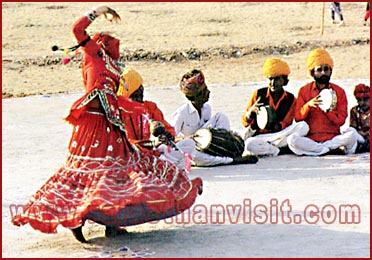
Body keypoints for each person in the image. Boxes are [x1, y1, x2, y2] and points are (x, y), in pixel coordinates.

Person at [12, 6, 202, 243]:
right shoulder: (94, 55)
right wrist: (98, 11)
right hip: (93, 123)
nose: (116, 46)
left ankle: (113, 222)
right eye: (111, 43)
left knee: (117, 172)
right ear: (102, 44)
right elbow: (77, 29)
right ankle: (78, 218)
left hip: (113, 124)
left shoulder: (114, 66)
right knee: (89, 172)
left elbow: (121, 97)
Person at [171, 69, 258, 166]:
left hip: (206, 146)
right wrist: (188, 138)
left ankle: (227, 150)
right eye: (204, 91)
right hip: (193, 148)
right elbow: (170, 140)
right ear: (196, 96)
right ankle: (231, 160)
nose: (208, 92)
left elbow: (210, 132)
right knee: (196, 156)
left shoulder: (206, 108)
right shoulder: (181, 114)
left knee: (221, 116)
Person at [116, 67, 195, 170]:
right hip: (131, 155)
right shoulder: (119, 112)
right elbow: (126, 144)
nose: (140, 93)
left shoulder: (150, 107)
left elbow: (169, 130)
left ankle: (163, 166)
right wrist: (153, 144)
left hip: (153, 154)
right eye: (135, 94)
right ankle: (163, 167)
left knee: (189, 144)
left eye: (140, 89)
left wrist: (167, 137)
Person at [287, 48, 357, 156]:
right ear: (313, 72)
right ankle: (326, 149)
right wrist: (308, 106)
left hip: (333, 138)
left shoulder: (339, 91)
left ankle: (320, 150)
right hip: (311, 138)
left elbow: (341, 120)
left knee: (351, 134)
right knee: (292, 140)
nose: (323, 73)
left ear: (331, 71)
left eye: (326, 69)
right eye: (319, 70)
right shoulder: (304, 91)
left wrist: (327, 110)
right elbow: (298, 118)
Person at [242, 58, 308, 157]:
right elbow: (245, 123)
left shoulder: (291, 99)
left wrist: (275, 125)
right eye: (270, 79)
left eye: (276, 79)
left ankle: (273, 148)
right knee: (250, 144)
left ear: (284, 81)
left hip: (279, 136)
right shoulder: (258, 94)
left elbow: (286, 124)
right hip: (260, 137)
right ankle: (277, 151)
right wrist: (250, 113)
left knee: (303, 126)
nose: (272, 83)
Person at [345, 84, 370, 153]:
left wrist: (367, 133)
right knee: (349, 131)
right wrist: (361, 133)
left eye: (365, 100)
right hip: (361, 137)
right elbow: (353, 128)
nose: (362, 103)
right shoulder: (354, 110)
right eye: (359, 100)